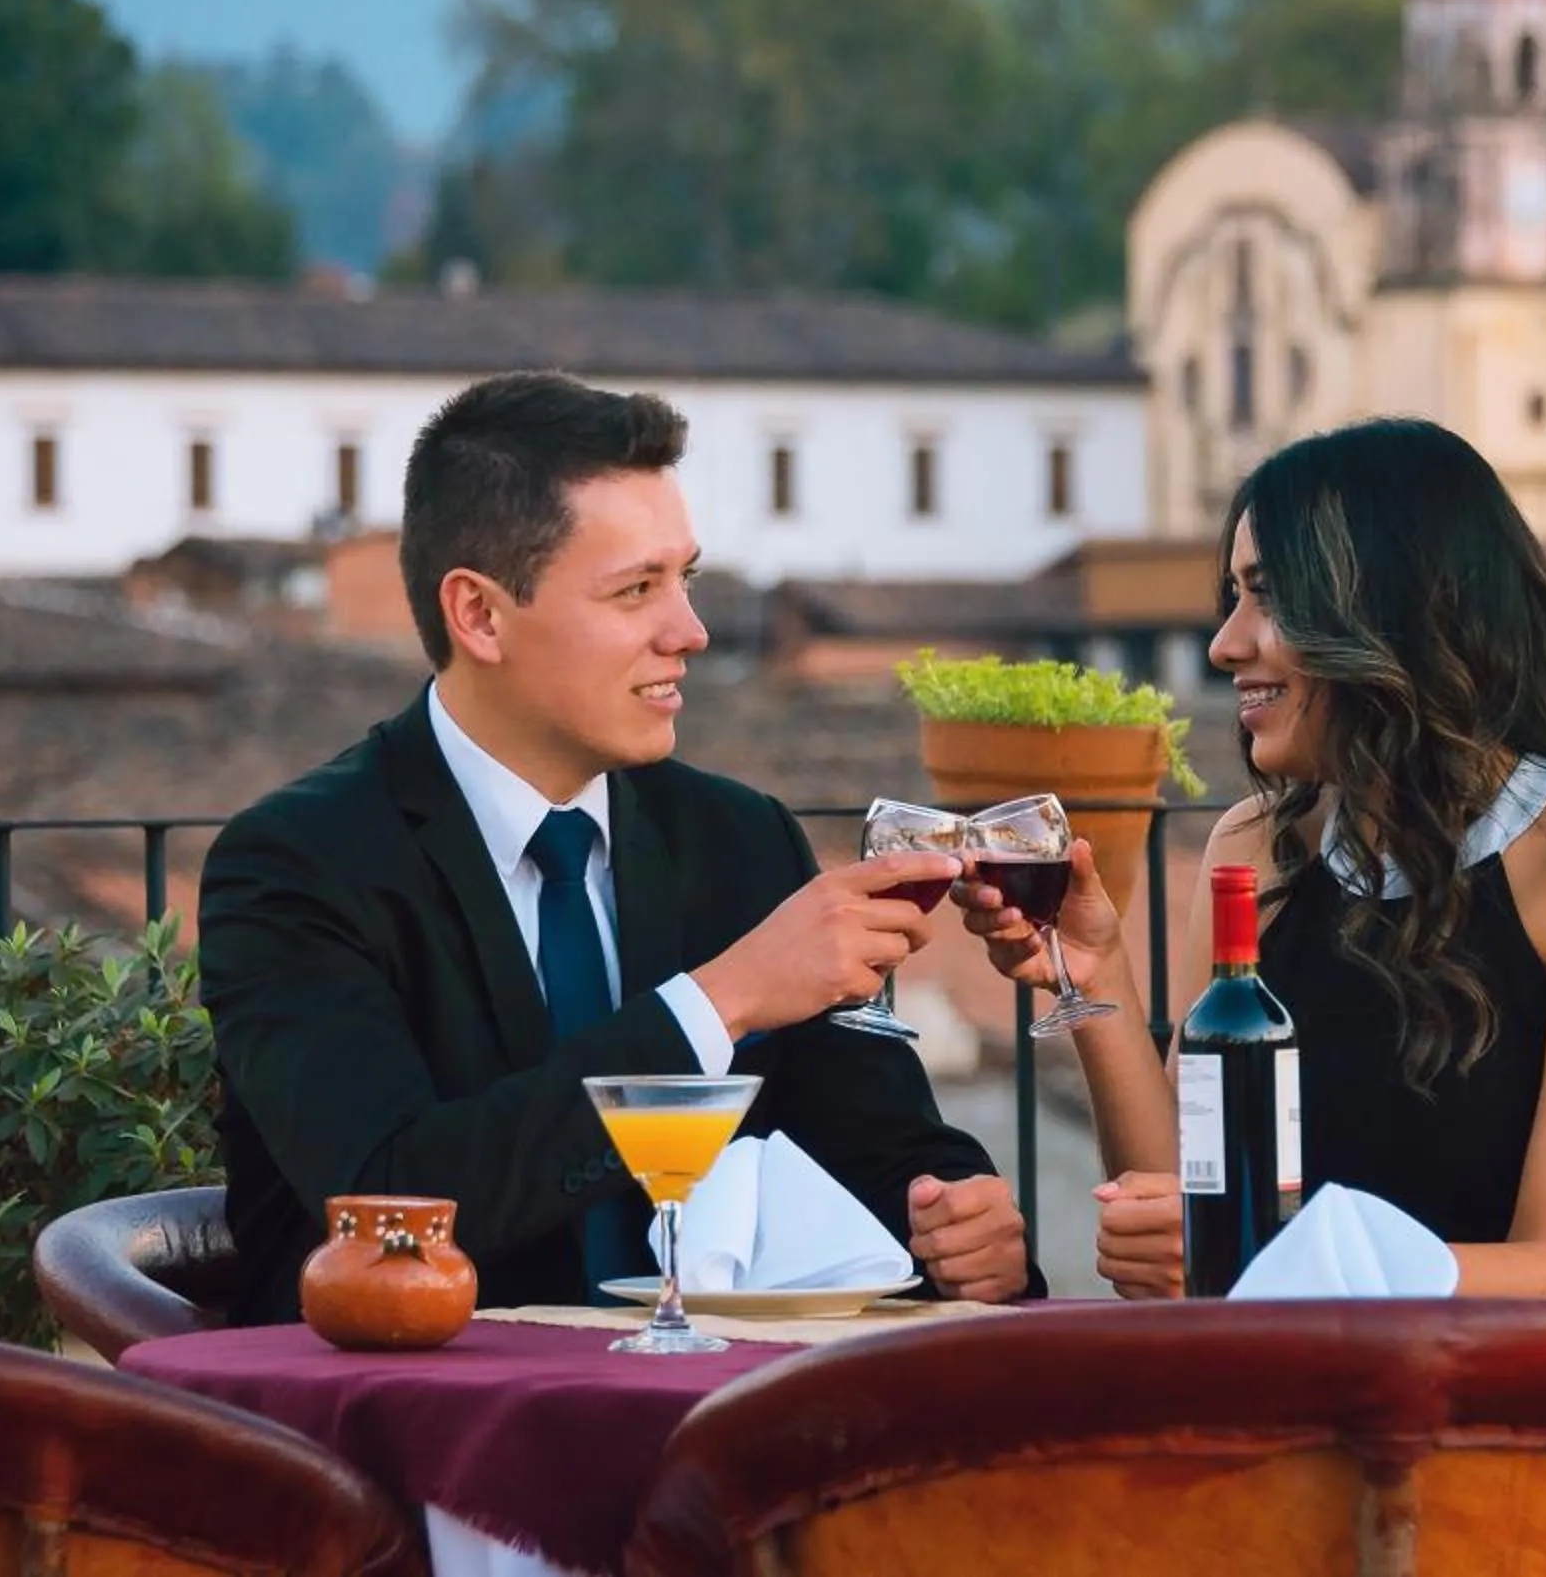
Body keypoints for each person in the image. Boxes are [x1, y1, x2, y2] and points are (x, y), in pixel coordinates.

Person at [200, 371, 1031, 1324]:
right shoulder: (296, 866)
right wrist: (720, 1001)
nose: (691, 631)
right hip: (414, 1404)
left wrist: (960, 1226)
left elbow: (886, 1153)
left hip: (721, 1402)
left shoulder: (741, 839)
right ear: (479, 615)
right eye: (637, 589)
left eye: (686, 579)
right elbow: (394, 1208)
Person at [963, 417, 1546, 1299]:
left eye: (1269, 596)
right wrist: (1093, 976)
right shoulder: (1257, 848)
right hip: (1314, 1366)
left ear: (1395, 609)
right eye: (1232, 597)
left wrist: (1272, 1267)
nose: (1225, 644)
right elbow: (1189, 1212)